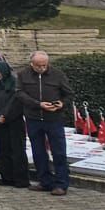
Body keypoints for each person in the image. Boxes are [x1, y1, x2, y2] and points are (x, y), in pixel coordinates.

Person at [17, 50, 75, 196]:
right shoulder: (23, 74)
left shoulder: (57, 74)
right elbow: (19, 93)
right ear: (32, 64)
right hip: (33, 118)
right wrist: (38, 104)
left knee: (59, 152)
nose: (42, 68)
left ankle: (61, 183)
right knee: (38, 151)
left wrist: (61, 103)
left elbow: (69, 94)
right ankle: (45, 181)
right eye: (38, 66)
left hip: (53, 119)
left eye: (44, 65)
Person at [0, 59, 29, 188]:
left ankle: (20, 179)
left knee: (17, 150)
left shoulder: (14, 85)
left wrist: (5, 115)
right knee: (3, 150)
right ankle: (7, 176)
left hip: (14, 122)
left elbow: (15, 103)